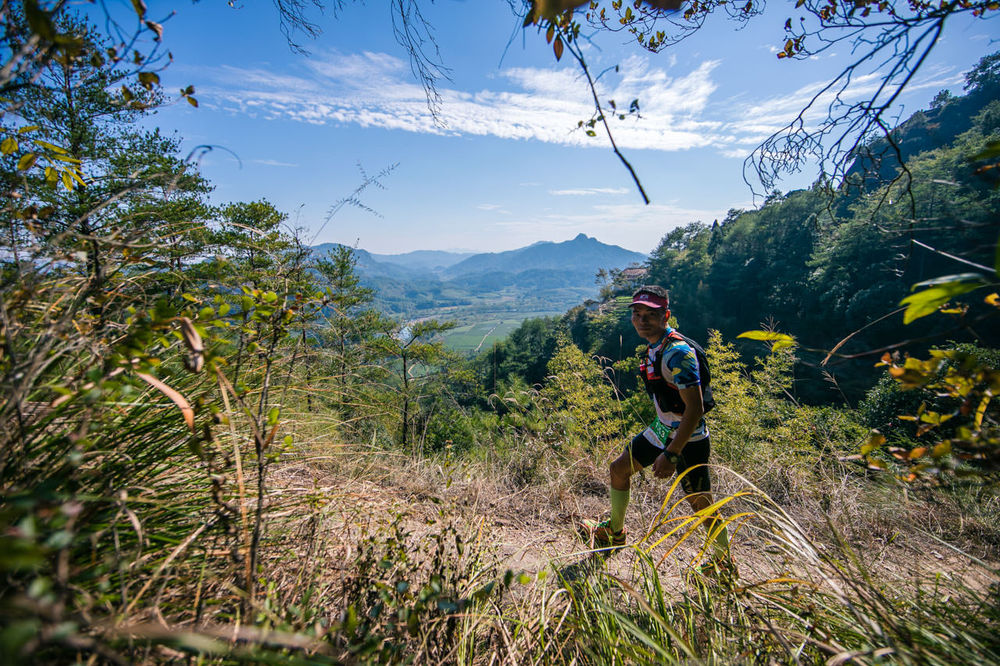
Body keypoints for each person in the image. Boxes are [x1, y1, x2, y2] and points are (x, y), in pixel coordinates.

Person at [584, 285, 733, 573]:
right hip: (662, 428)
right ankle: (614, 533)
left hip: (687, 438)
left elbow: (695, 409)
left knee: (701, 504)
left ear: (665, 315)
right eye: (637, 314)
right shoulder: (656, 347)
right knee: (619, 469)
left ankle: (724, 564)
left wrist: (672, 453)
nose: (641, 320)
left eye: (649, 315)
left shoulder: (677, 354)